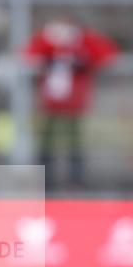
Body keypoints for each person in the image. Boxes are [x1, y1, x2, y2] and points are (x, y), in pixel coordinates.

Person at [24, 15, 117, 190]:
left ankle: (76, 180)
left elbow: (106, 55)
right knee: (46, 141)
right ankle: (46, 179)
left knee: (74, 141)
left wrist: (80, 57)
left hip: (75, 101)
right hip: (49, 102)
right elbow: (30, 56)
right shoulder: (46, 41)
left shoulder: (84, 42)